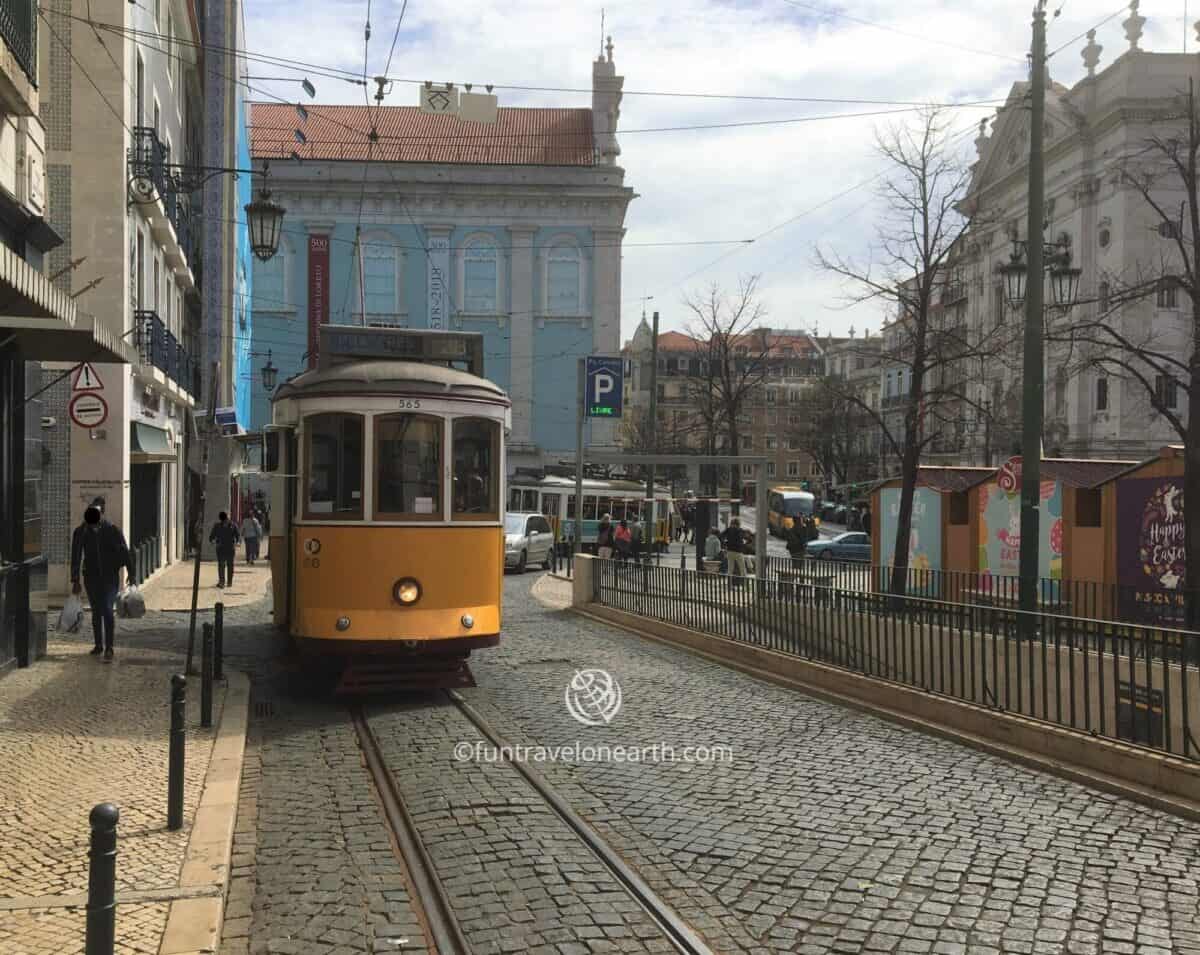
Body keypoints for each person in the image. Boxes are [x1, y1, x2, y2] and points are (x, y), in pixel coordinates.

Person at [70, 500, 135, 661]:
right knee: (96, 611)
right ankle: (98, 644)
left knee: (107, 609)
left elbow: (125, 551)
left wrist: (132, 573)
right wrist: (75, 579)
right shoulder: (81, 532)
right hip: (91, 578)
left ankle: (109, 647)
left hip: (110, 577)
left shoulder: (112, 530)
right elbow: (76, 556)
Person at [209, 511, 241, 588]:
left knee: (230, 565)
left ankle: (229, 582)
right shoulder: (217, 526)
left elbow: (238, 536)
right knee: (221, 565)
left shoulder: (233, 526)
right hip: (221, 548)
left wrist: (238, 542)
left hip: (230, 548)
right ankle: (222, 582)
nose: (226, 520)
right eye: (224, 519)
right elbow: (211, 536)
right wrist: (213, 541)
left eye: (227, 518)